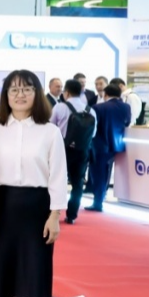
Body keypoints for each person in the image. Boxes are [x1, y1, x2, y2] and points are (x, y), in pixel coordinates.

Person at [0, 70, 67, 297]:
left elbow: (58, 175)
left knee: (33, 272)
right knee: (1, 272)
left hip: (36, 211)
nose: (20, 95)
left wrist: (55, 216)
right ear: (5, 95)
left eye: (27, 89)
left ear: (36, 94)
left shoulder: (50, 131)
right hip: (0, 208)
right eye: (14, 89)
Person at [50, 80, 96, 224]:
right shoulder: (90, 110)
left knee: (57, 180)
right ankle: (72, 215)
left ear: (67, 92)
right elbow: (93, 133)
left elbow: (51, 127)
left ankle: (54, 213)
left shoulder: (60, 107)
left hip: (62, 148)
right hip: (82, 150)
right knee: (78, 182)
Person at [86, 85, 132, 212]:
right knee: (107, 172)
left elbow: (93, 127)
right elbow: (127, 122)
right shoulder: (126, 107)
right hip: (118, 144)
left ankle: (98, 202)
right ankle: (101, 198)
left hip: (99, 145)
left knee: (98, 174)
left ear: (105, 94)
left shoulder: (98, 107)